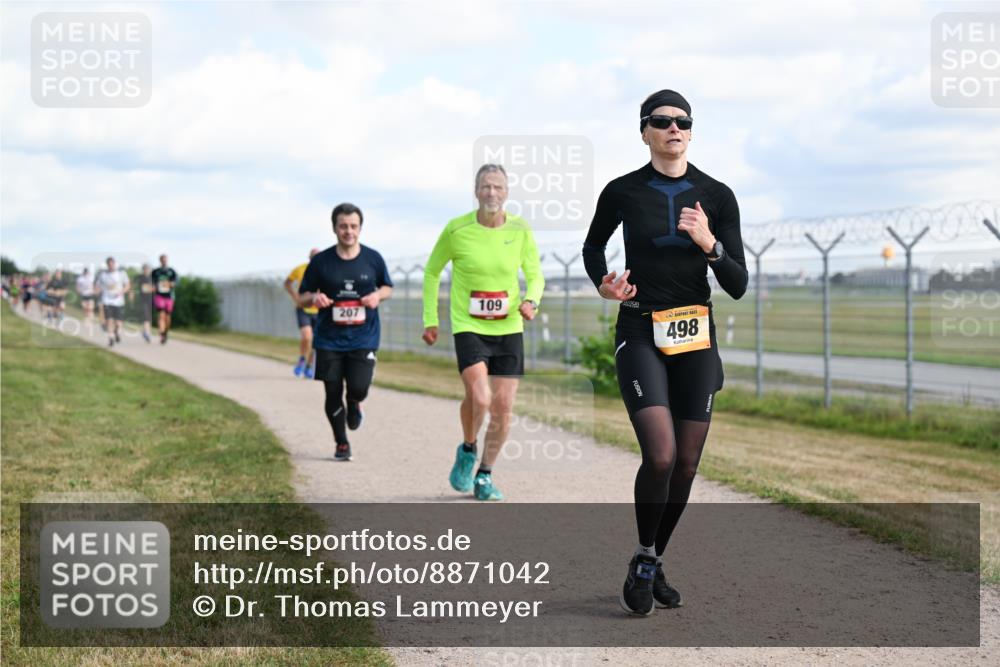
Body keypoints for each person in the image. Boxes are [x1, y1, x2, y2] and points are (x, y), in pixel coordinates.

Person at [582, 89, 748, 615]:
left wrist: (709, 244)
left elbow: (738, 282)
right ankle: (647, 556)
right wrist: (603, 284)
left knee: (687, 464)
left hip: (696, 336)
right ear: (645, 131)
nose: (673, 128)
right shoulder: (622, 191)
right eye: (662, 121)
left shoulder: (718, 196)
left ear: (691, 132)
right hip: (640, 330)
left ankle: (648, 558)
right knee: (661, 454)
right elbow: (593, 248)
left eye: (682, 121)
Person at [422, 164, 544, 501]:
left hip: (509, 327)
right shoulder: (456, 229)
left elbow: (535, 275)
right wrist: (430, 320)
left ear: (507, 193)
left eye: (498, 187)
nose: (492, 193)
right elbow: (432, 272)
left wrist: (532, 301)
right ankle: (468, 448)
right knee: (480, 398)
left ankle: (485, 474)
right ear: (476, 191)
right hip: (469, 325)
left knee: (503, 407)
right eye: (486, 187)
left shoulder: (520, 230)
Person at [298, 203, 393, 461]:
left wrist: (377, 296)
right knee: (331, 391)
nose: (348, 231)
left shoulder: (373, 258)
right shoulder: (321, 262)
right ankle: (341, 443)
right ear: (334, 228)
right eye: (343, 226)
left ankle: (354, 403)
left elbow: (387, 287)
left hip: (364, 336)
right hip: (329, 338)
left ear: (360, 228)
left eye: (353, 226)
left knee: (359, 387)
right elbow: (302, 297)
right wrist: (314, 299)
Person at [285, 249, 321, 378]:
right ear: (309, 257)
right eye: (314, 257)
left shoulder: (326, 271)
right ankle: (302, 359)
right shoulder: (300, 269)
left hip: (319, 311)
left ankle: (309, 365)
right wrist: (296, 297)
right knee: (307, 337)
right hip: (303, 309)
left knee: (317, 341)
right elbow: (287, 283)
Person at [96, 257, 130, 347]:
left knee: (118, 323)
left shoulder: (121, 274)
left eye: (112, 264)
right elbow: (98, 286)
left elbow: (127, 285)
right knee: (109, 320)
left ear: (115, 264)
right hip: (107, 300)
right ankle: (110, 338)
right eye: (109, 264)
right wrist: (96, 292)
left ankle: (116, 332)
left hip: (118, 301)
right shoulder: (103, 275)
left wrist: (122, 291)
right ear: (107, 265)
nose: (111, 266)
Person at [151, 254, 178, 344]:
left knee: (167, 317)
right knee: (161, 315)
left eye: (165, 260)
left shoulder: (172, 271)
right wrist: (153, 288)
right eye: (162, 260)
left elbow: (175, 283)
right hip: (159, 296)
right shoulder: (155, 272)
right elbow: (152, 284)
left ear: (167, 260)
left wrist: (168, 284)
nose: (164, 261)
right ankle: (162, 334)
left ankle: (166, 332)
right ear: (160, 261)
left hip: (169, 296)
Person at [136, 263, 154, 343]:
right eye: (145, 269)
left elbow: (154, 287)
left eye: (148, 269)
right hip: (142, 300)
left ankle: (146, 332)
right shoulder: (140, 278)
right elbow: (144, 288)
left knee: (149, 317)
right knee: (146, 316)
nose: (146, 270)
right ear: (143, 270)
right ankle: (146, 333)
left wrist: (152, 288)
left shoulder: (152, 278)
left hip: (150, 300)